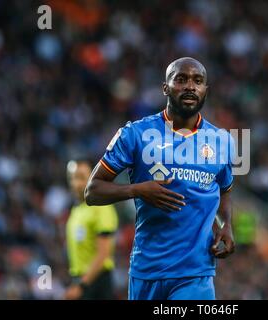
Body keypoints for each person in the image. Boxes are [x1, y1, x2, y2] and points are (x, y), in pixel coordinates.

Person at [85, 57, 235, 300]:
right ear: (165, 87)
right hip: (147, 271)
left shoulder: (222, 141)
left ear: (206, 90)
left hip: (195, 273)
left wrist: (226, 224)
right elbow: (92, 191)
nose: (190, 86)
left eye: (198, 81)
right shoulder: (135, 134)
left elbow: (225, 188)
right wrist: (138, 190)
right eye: (181, 79)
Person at [64, 159, 119, 300]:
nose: (75, 183)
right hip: (81, 279)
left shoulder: (101, 207)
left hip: (96, 282)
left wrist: (81, 286)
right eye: (72, 178)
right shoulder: (77, 210)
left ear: (93, 177)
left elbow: (103, 254)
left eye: (81, 177)